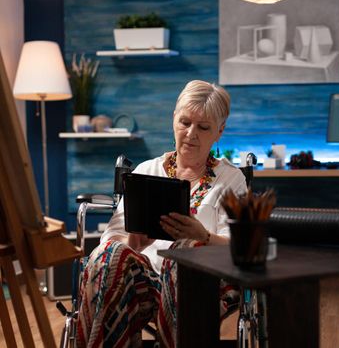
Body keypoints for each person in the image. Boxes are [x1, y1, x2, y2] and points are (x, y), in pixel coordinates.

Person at [76, 80, 247, 347]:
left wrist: (203, 236)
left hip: (204, 283)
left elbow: (242, 246)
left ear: (219, 132)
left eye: (203, 128)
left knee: (185, 251)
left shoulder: (231, 179)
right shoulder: (146, 171)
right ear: (173, 120)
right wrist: (133, 242)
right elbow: (111, 237)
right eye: (185, 122)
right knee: (110, 255)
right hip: (144, 284)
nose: (191, 134)